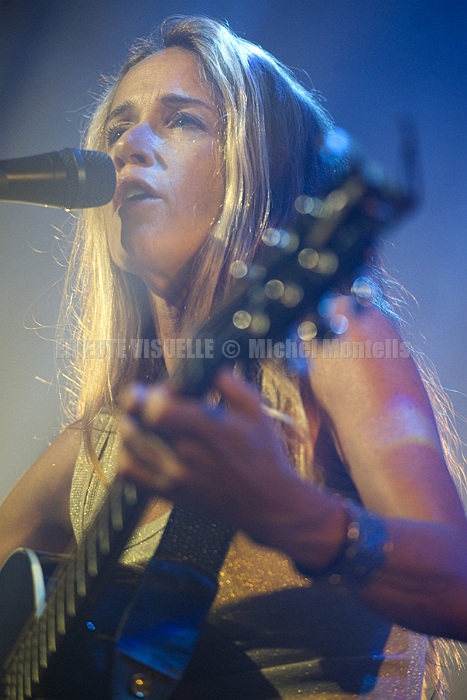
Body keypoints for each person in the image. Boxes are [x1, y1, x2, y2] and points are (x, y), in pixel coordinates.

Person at [1, 14, 467, 699]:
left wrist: (294, 514)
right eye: (117, 128)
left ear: (262, 173)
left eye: (180, 121)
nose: (129, 145)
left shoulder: (330, 343)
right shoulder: (91, 455)